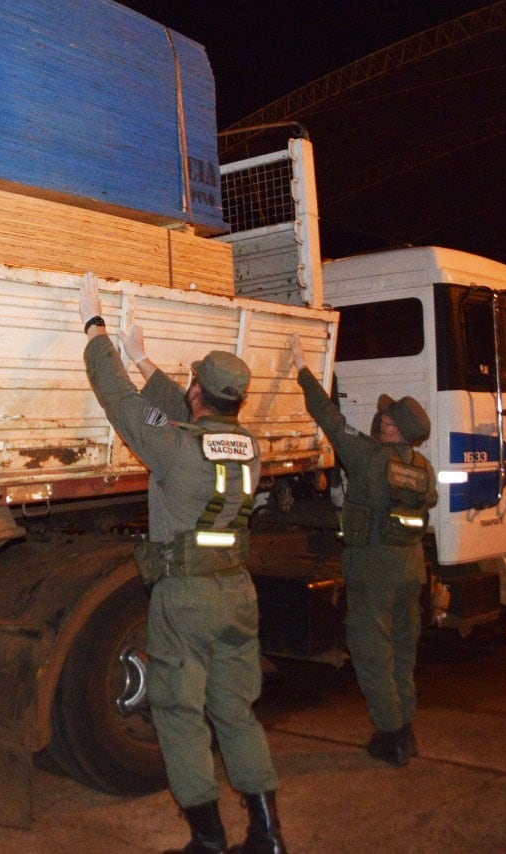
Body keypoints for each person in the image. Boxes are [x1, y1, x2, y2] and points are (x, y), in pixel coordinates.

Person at [80, 275, 286, 854]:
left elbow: (120, 404)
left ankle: (208, 839)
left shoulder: (176, 448)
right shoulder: (248, 448)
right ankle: (268, 836)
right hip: (237, 594)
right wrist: (147, 364)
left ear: (199, 390)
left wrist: (97, 332)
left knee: (177, 711)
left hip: (186, 598)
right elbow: (191, 421)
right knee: (236, 713)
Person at [289, 333, 437, 767]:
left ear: (391, 429)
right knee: (404, 649)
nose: (379, 419)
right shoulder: (422, 468)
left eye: (385, 418)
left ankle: (389, 735)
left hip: (373, 569)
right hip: (411, 569)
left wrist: (302, 368)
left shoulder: (369, 458)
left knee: (371, 649)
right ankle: (406, 727)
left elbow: (328, 417)